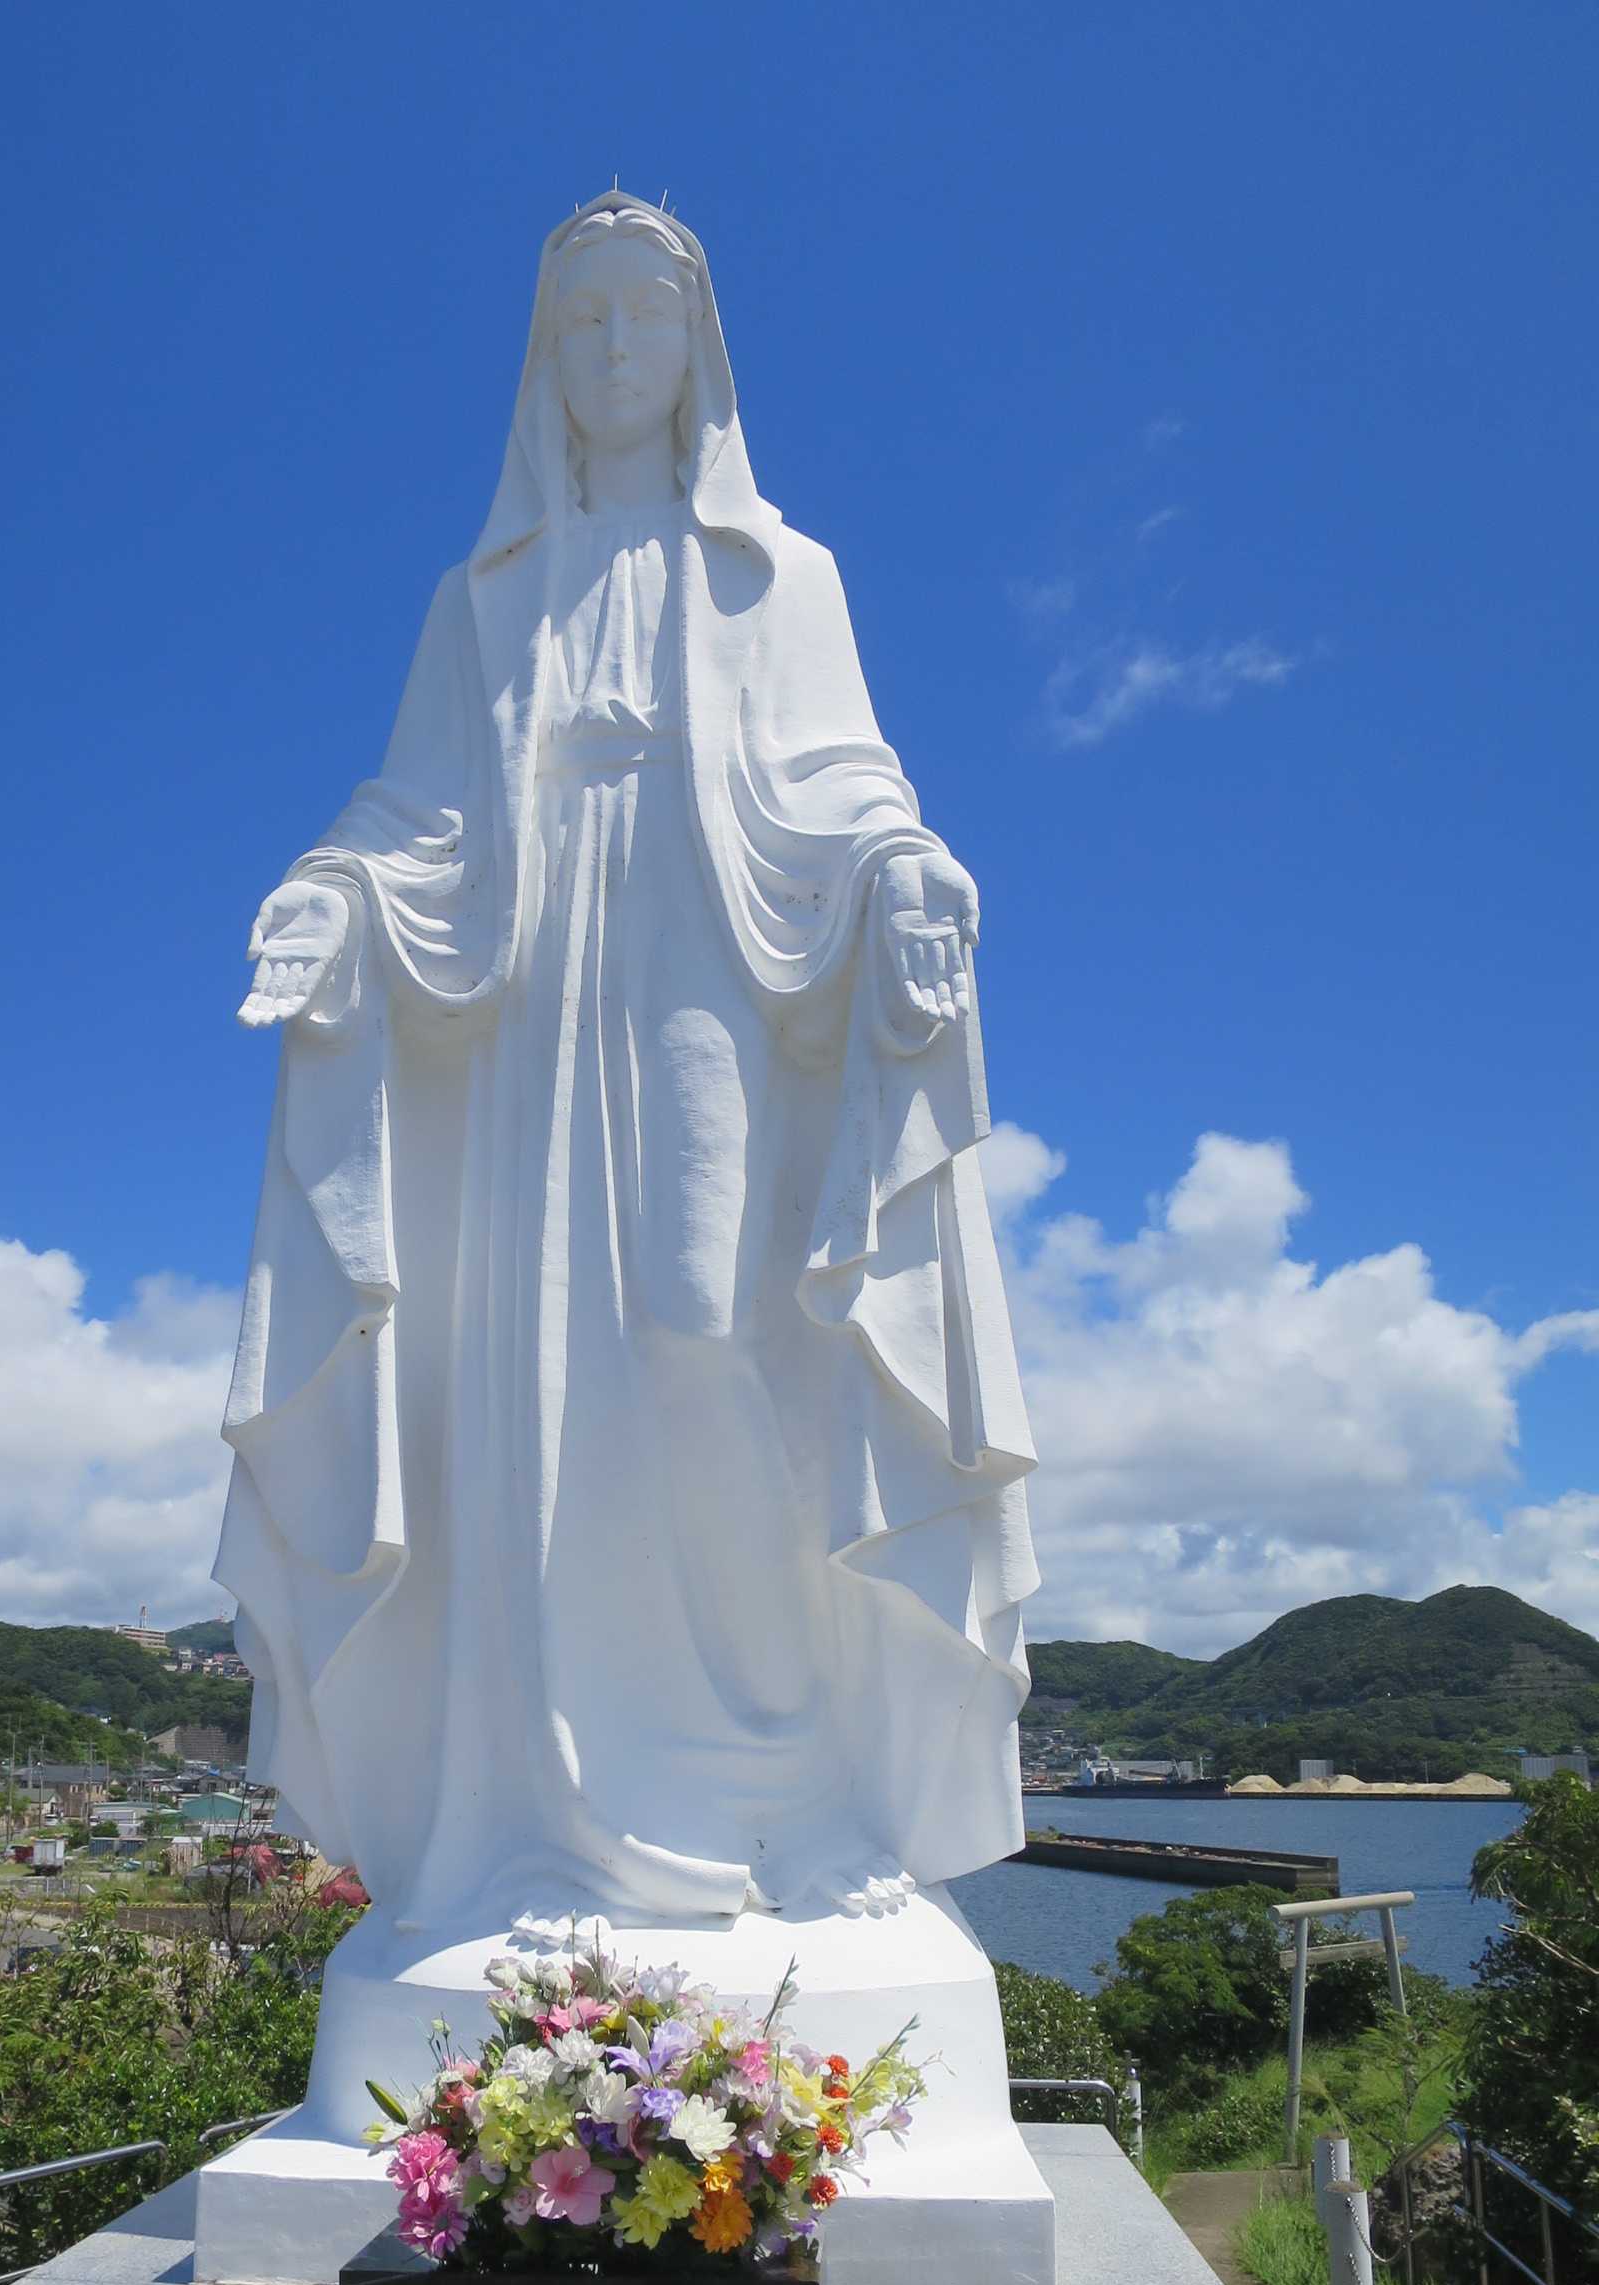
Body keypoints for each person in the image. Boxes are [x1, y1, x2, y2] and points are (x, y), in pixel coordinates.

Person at [219, 198, 1036, 1938]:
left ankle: (785, 1774)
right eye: (578, 320)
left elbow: (848, 775)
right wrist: (327, 893)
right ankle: (541, 1808)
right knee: (527, 1392)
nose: (609, 350)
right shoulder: (481, 599)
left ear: (696, 350)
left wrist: (903, 867)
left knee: (691, 1324)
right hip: (523, 1006)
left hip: (698, 964)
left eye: (640, 318)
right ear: (545, 356)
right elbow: (412, 809)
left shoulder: (779, 575)